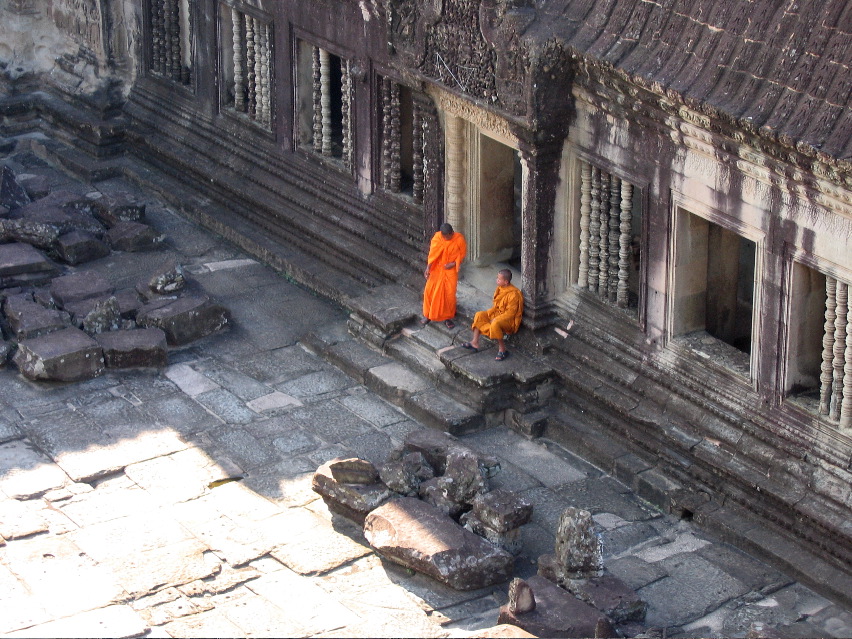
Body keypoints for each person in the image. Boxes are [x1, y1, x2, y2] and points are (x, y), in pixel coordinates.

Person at [462, 269, 523, 361]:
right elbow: (496, 306)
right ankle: (475, 342)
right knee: (479, 315)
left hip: (508, 320)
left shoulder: (514, 294)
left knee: (495, 323)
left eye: (499, 279)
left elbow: (511, 313)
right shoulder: (500, 288)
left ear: (506, 282)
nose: (496, 280)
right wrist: (489, 314)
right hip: (497, 314)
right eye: (497, 278)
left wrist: (496, 318)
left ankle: (502, 349)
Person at [422, 222, 466, 329]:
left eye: (447, 236)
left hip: (450, 271)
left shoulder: (459, 239)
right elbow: (432, 254)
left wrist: (454, 263)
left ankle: (447, 318)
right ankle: (428, 315)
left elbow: (462, 255)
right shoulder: (437, 238)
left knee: (449, 294)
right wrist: (428, 268)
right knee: (430, 291)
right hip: (437, 268)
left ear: (452, 233)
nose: (445, 238)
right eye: (444, 236)